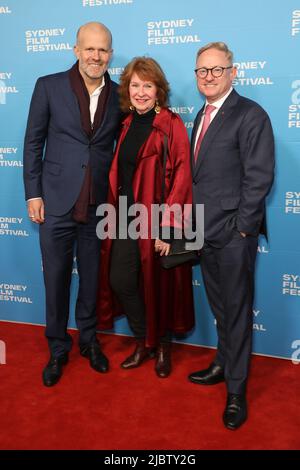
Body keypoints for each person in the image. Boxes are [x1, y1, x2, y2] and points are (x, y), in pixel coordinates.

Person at [23, 22, 121, 387]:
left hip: (98, 206)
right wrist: (34, 193)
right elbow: (33, 143)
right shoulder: (48, 86)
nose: (96, 56)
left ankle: (89, 341)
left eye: (103, 50)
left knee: (93, 280)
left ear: (110, 54)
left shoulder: (119, 93)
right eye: (90, 49)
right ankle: (58, 347)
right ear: (76, 50)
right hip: (55, 202)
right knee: (56, 279)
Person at [188, 42, 275, 429]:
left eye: (216, 70)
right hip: (203, 232)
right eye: (202, 71)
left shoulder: (251, 115)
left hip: (233, 235)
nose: (209, 77)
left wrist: (242, 228)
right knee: (222, 308)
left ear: (233, 72)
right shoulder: (199, 115)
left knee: (237, 312)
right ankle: (223, 363)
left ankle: (237, 391)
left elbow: (258, 179)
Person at [97, 57, 195, 378]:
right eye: (135, 85)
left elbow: (181, 176)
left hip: (157, 219)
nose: (140, 92)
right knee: (121, 280)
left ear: (158, 90)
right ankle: (144, 340)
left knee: (160, 283)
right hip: (125, 216)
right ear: (128, 88)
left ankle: (163, 344)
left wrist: (168, 228)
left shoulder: (170, 123)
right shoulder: (125, 124)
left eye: (147, 85)